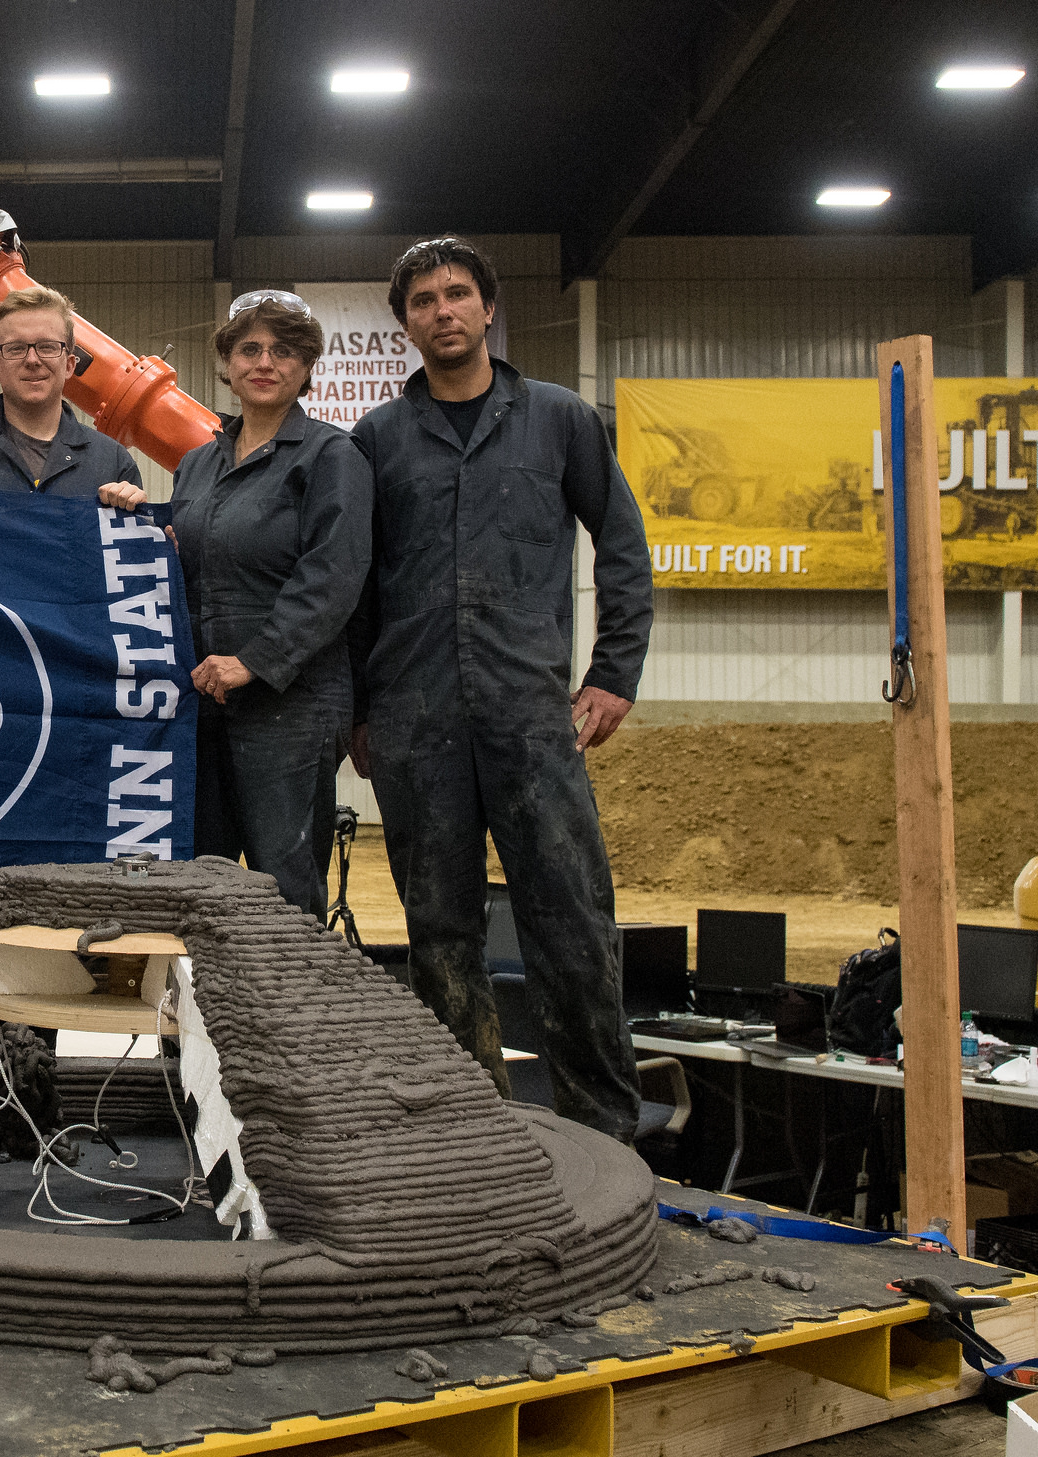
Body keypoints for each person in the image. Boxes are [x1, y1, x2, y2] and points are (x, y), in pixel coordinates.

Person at [348, 236, 653, 1142]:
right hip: (413, 719)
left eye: (457, 295)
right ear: (405, 324)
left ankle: (606, 1135)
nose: (442, 312)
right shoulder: (376, 440)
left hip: (529, 718)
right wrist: (362, 711)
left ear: (488, 308)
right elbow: (357, 583)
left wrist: (614, 673)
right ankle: (473, 1134)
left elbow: (626, 549)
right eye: (423, 302)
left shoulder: (559, 420)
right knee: (440, 935)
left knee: (572, 924)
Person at [98, 291, 368, 921]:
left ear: (306, 366)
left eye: (284, 351)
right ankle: (210, 1017)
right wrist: (135, 522)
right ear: (226, 362)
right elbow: (192, 555)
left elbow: (334, 574)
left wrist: (254, 660)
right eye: (249, 348)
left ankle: (288, 1016)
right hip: (206, 698)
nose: (265, 362)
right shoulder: (198, 464)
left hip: (291, 701)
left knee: (284, 883)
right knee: (204, 878)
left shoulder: (331, 456)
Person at [0, 286, 140, 497]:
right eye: (16, 348)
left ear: (69, 365)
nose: (32, 360)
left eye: (47, 347)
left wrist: (135, 513)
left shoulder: (114, 465)